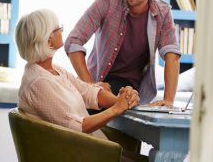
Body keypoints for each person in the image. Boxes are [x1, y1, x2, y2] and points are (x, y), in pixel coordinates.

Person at [15, 9, 145, 161]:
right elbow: (78, 127)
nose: (62, 31)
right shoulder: (39, 82)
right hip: (74, 154)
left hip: (86, 148)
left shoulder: (54, 69)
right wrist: (117, 108)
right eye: (58, 29)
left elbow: (87, 92)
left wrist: (122, 100)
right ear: (48, 40)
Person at [65, 0, 181, 107]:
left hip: (128, 86)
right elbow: (73, 41)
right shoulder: (107, 2)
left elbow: (172, 55)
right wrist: (90, 86)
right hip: (96, 80)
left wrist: (168, 101)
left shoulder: (162, 12)